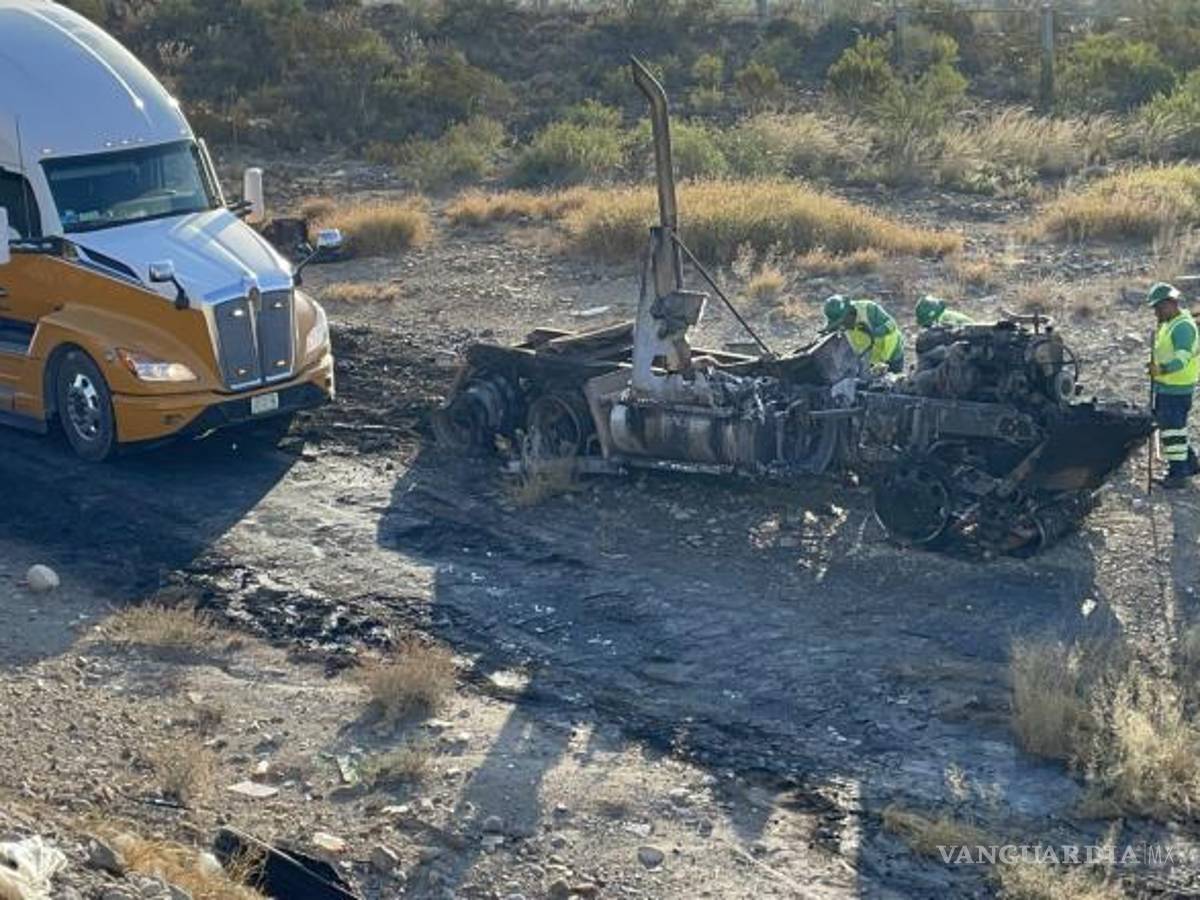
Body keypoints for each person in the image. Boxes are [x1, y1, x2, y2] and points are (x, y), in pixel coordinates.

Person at [1147, 282, 1199, 489]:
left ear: (1170, 304)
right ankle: (1189, 465)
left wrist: (1162, 370)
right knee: (1174, 429)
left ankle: (1178, 475)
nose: (1155, 313)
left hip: (1176, 388)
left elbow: (1182, 360)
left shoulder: (1183, 327)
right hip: (1167, 386)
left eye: (1158, 308)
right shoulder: (1169, 323)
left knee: (1172, 432)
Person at [823, 295, 905, 373]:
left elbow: (891, 324)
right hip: (871, 361)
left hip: (892, 354)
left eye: (843, 322)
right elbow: (829, 331)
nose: (842, 326)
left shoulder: (868, 309)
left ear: (849, 313)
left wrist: (874, 332)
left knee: (895, 382)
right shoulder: (843, 323)